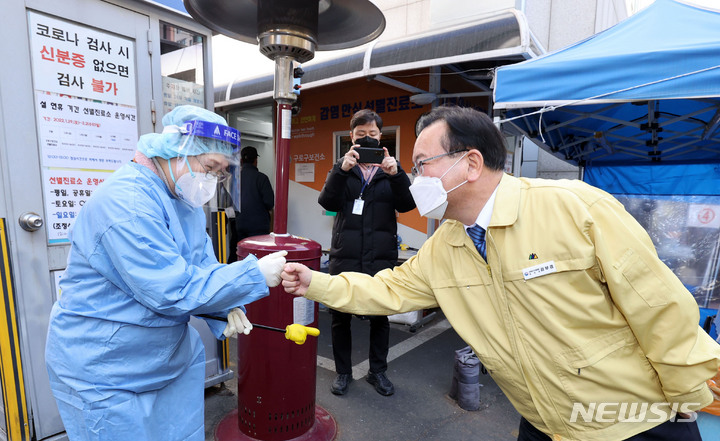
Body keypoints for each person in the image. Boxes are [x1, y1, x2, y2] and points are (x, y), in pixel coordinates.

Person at [282, 106, 720, 440]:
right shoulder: (446, 244)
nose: (416, 179)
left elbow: (658, 305)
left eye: (423, 164)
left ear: (471, 163)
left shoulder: (573, 206)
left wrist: (686, 397)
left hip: (631, 424)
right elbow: (388, 290)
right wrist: (314, 282)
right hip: (540, 423)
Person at [45, 105, 287, 441]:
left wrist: (224, 306)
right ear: (176, 149)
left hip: (167, 359)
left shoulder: (181, 202)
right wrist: (253, 275)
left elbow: (202, 268)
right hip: (107, 369)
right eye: (209, 167)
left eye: (220, 173)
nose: (212, 180)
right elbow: (171, 290)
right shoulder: (127, 203)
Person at [318, 109, 415, 396]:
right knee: (340, 317)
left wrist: (396, 175)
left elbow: (408, 205)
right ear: (352, 138)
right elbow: (327, 202)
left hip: (380, 257)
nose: (367, 139)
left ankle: (378, 372)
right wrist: (341, 170)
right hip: (345, 255)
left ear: (380, 136)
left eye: (372, 134)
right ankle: (343, 373)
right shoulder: (341, 168)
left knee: (379, 316)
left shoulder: (391, 170)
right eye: (361, 135)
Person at [228, 145, 275, 263]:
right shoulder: (262, 178)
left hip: (240, 225)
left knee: (242, 255)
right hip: (259, 228)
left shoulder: (234, 179)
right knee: (258, 257)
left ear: (241, 161)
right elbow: (269, 203)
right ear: (256, 161)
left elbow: (230, 202)